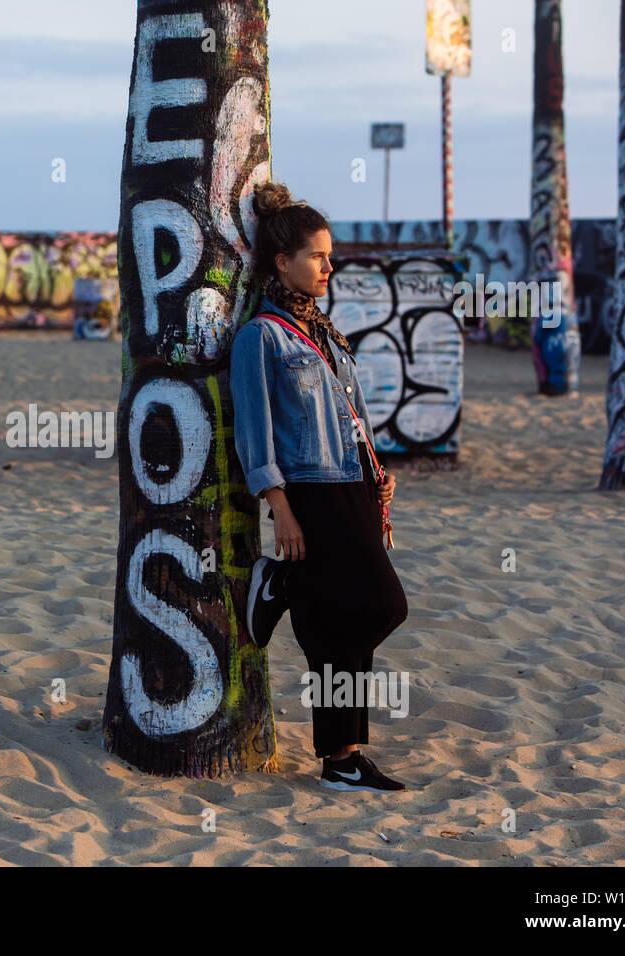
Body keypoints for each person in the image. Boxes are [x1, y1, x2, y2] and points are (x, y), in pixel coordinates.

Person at [230, 180, 410, 793]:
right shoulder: (262, 337)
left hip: (353, 485)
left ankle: (342, 757)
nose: (328, 266)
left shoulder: (327, 333)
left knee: (341, 628)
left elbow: (354, 413)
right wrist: (279, 507)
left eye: (330, 256)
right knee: (384, 607)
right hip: (310, 493)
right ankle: (288, 585)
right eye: (316, 256)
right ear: (283, 262)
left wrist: (377, 473)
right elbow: (255, 431)